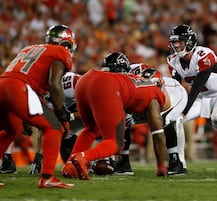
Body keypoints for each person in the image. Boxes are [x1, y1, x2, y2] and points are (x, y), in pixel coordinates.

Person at [61, 52, 171, 180]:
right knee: (115, 142)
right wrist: (161, 166)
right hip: (108, 86)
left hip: (85, 79)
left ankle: (69, 166)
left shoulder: (134, 81)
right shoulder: (155, 95)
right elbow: (158, 135)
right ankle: (83, 157)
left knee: (91, 129)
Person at [0, 24, 77, 188]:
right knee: (54, 128)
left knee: (11, 130)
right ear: (66, 43)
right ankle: (47, 177)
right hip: (18, 88)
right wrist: (61, 112)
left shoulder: (29, 48)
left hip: (3, 84)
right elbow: (54, 84)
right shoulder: (60, 52)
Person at [167, 24, 217, 174]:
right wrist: (176, 110)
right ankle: (179, 164)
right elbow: (178, 88)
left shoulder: (204, 54)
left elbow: (196, 85)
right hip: (201, 97)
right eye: (174, 42)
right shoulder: (173, 61)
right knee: (175, 119)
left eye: (180, 42)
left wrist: (184, 110)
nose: (176, 45)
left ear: (190, 42)